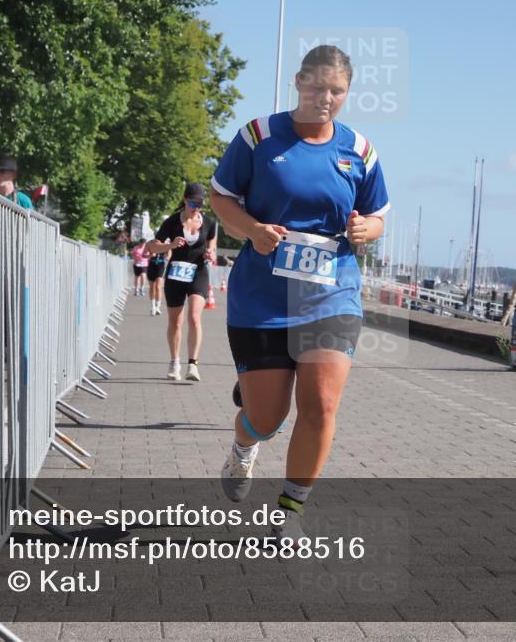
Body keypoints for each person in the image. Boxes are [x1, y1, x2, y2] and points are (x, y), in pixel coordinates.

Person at [209, 44, 389, 543]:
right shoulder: (258, 136)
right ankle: (245, 444)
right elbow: (220, 196)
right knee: (267, 418)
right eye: (316, 87)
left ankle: (291, 510)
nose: (325, 98)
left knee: (321, 407)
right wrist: (251, 229)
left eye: (337, 90)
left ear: (347, 92)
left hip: (331, 295)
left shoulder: (360, 150)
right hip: (262, 299)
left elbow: (377, 217)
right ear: (298, 82)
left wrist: (365, 231)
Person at [148, 183, 217, 382]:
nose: (196, 207)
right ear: (185, 200)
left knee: (194, 318)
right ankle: (174, 362)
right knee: (175, 322)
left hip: (198, 273)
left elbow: (212, 247)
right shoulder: (171, 222)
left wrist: (210, 254)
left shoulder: (210, 223)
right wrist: (170, 244)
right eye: (193, 203)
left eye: (200, 203)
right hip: (176, 275)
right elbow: (153, 247)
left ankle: (193, 365)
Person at [146, 240, 168, 316]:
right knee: (152, 287)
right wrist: (150, 256)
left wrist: (168, 257)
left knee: (158, 287)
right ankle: (153, 307)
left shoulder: (166, 244)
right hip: (151, 265)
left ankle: (158, 307)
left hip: (161, 265)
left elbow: (169, 253)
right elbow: (144, 255)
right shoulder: (149, 243)